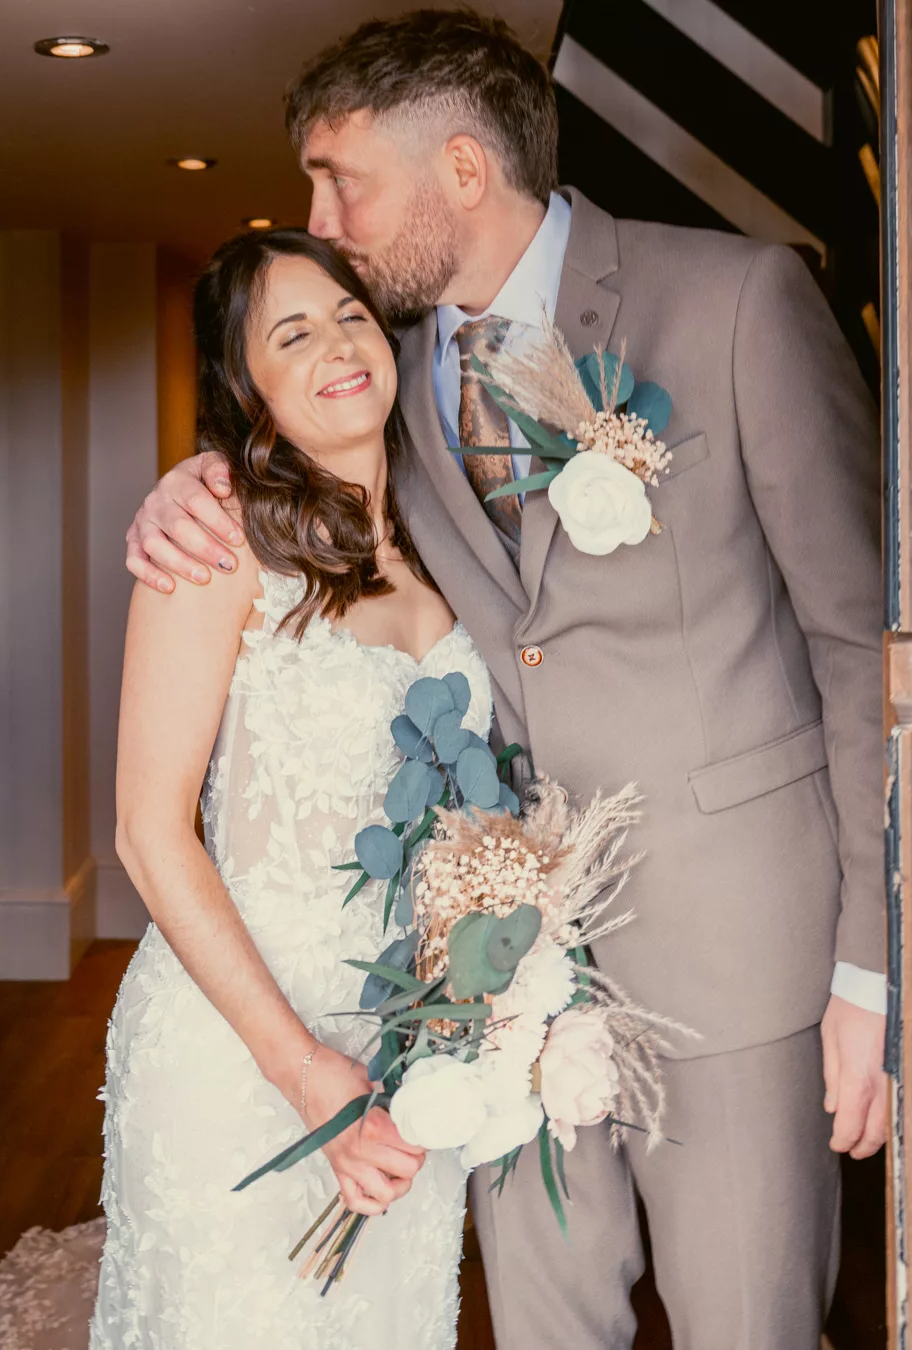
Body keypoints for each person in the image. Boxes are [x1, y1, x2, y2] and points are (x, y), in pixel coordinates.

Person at [124, 11, 886, 1350]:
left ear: (463, 170)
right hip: (494, 991)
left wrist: (874, 970)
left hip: (740, 956)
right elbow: (301, 473)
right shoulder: (390, 370)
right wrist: (194, 482)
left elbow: (859, 644)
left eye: (339, 181)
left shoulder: (737, 299)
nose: (321, 221)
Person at [89, 227, 492, 1349]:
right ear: (246, 388)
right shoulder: (213, 543)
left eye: (353, 317)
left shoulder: (454, 532)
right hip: (242, 1048)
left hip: (411, 1049)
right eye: (294, 334)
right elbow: (148, 832)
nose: (339, 346)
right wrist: (306, 1071)